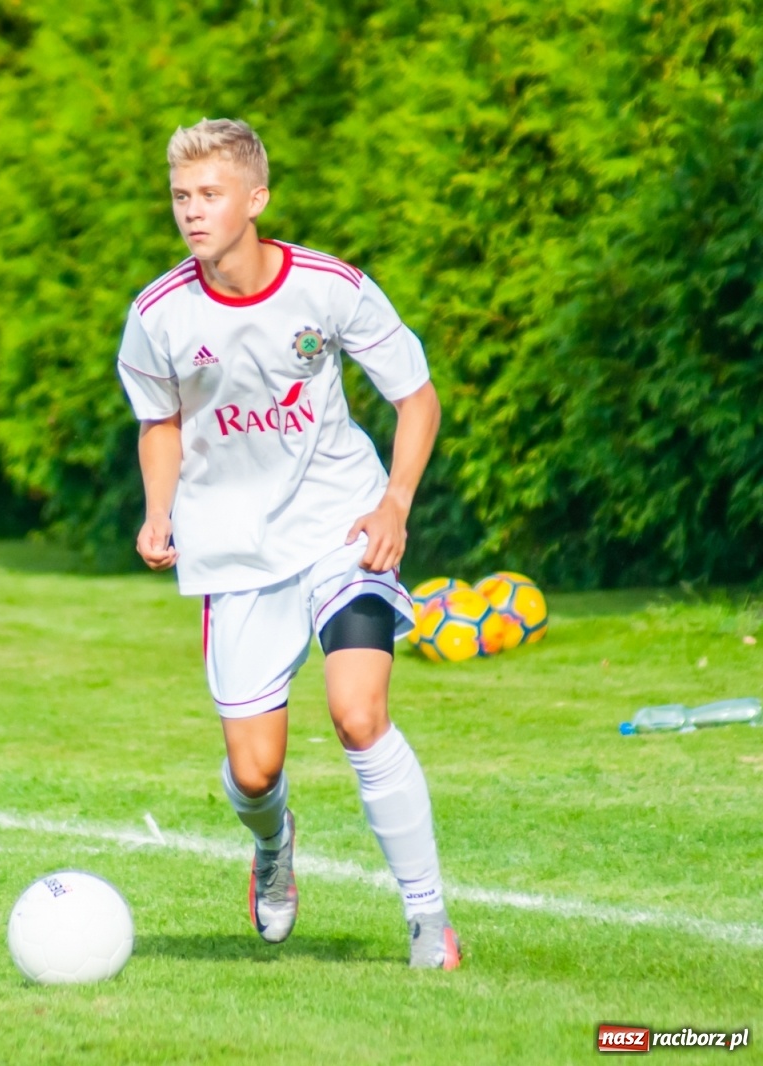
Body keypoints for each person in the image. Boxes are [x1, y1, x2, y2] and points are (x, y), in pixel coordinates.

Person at [117, 119, 459, 968]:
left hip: (341, 528)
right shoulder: (159, 314)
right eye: (180, 198)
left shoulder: (329, 289)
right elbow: (158, 422)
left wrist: (395, 505)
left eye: (209, 195)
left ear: (256, 199)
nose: (192, 213)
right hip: (233, 553)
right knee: (257, 773)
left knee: (359, 714)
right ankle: (273, 847)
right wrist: (160, 509)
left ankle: (429, 923)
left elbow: (416, 398)